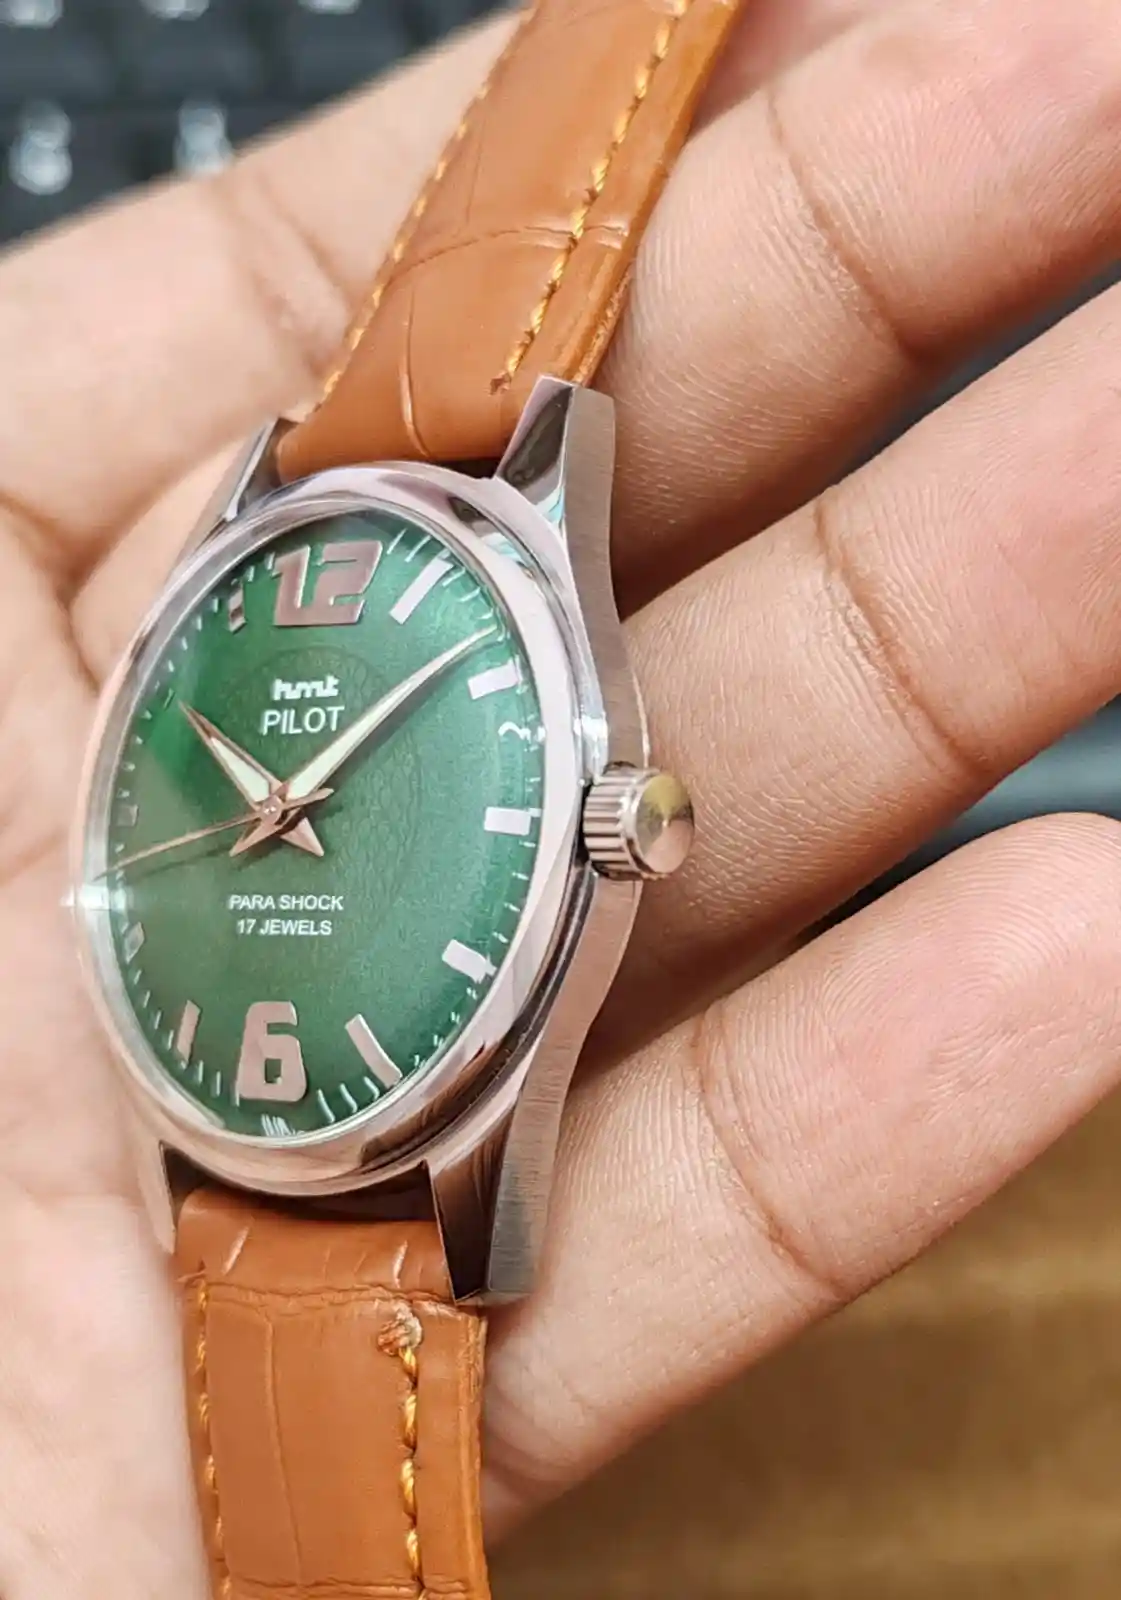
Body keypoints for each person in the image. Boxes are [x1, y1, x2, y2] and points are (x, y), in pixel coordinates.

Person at [4, 0, 1121, 1588]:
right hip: (218, 1131)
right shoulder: (268, 554)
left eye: (282, 805)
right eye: (270, 807)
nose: (276, 816)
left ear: (620, 825)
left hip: (384, 1121)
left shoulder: (504, 499)